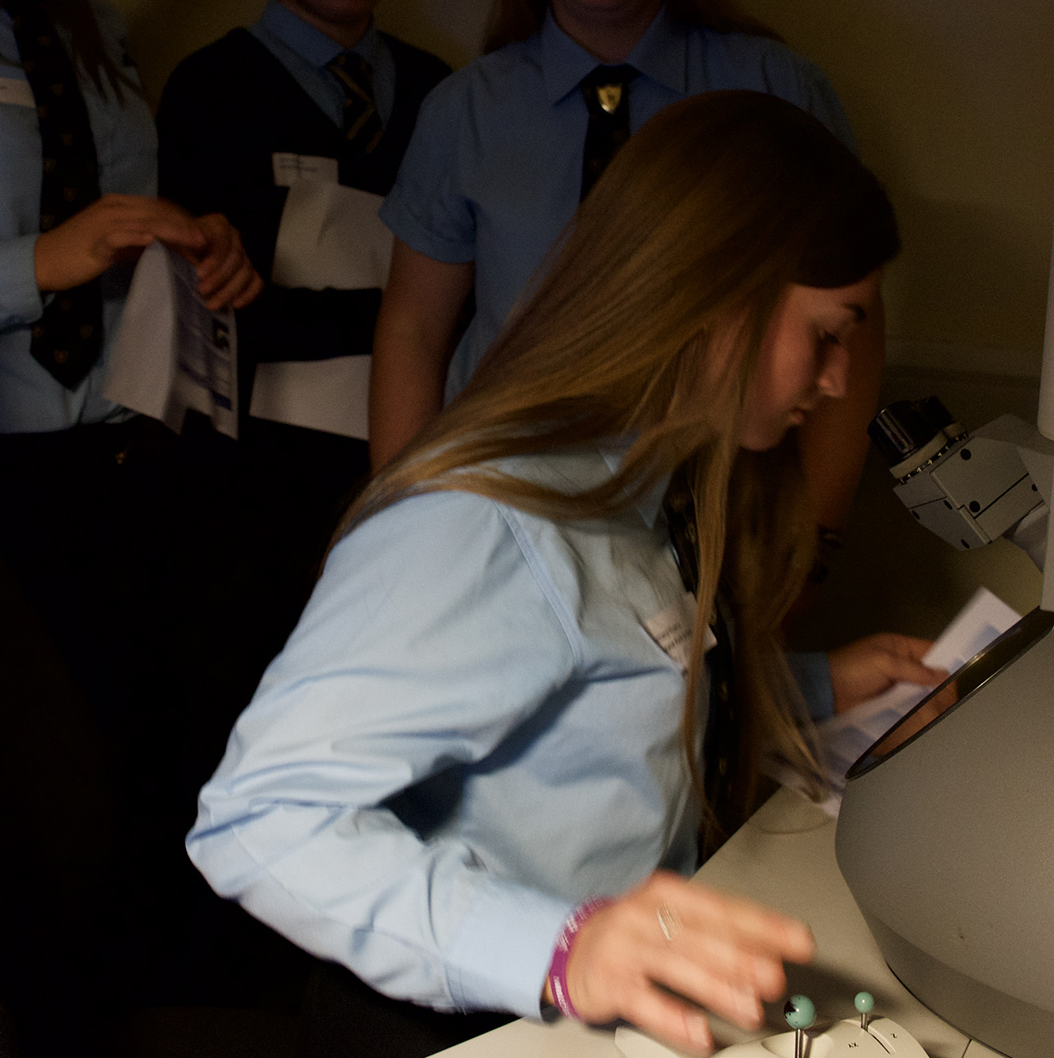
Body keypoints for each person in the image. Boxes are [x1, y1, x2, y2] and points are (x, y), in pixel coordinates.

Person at [190, 92, 941, 1057]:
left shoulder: (646, 479)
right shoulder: (485, 524)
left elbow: (605, 702)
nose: (837, 380)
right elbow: (258, 822)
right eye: (829, 334)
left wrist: (825, 685)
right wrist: (562, 949)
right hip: (458, 1022)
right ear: (720, 301)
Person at [0, 0, 259, 1033]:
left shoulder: (95, 25)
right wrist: (34, 262)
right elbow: (51, 242)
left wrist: (195, 243)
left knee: (149, 784)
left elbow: (109, 214)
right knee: (40, 816)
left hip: (127, 457)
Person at [367, 0, 883, 555]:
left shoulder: (777, 93)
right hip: (504, 519)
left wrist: (815, 537)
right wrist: (402, 530)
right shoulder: (466, 111)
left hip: (713, 522)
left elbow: (850, 329)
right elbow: (413, 330)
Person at [154, 0, 452, 832]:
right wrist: (405, 306)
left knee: (387, 730)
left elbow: (477, 297)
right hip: (255, 480)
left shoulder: (441, 93)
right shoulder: (210, 87)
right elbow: (216, 307)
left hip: (405, 463)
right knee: (250, 727)